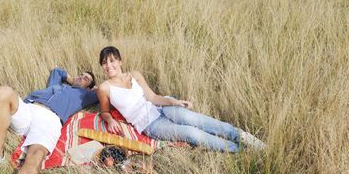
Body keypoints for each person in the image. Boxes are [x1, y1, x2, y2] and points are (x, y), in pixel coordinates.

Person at [97, 46, 266, 153]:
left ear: (120, 61)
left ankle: (240, 135)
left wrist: (175, 102)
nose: (109, 65)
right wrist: (110, 119)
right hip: (149, 123)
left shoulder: (134, 75)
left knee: (191, 118)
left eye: (112, 60)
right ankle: (238, 149)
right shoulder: (105, 88)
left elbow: (152, 96)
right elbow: (104, 111)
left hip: (160, 107)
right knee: (190, 133)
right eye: (104, 63)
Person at [0, 67, 98, 174]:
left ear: (89, 87)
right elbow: (57, 72)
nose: (81, 77)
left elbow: (104, 91)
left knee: (37, 152)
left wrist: (92, 88)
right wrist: (73, 79)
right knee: (4, 91)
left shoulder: (85, 95)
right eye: (81, 75)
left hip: (50, 118)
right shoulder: (55, 84)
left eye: (86, 79)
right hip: (29, 108)